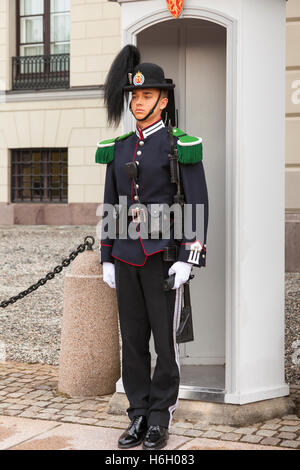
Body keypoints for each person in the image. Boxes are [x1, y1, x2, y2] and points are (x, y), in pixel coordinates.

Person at [95, 45, 209, 450]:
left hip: (163, 258)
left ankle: (160, 417)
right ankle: (138, 415)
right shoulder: (120, 147)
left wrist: (188, 257)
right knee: (133, 342)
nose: (138, 102)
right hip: (126, 257)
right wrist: (106, 255)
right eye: (134, 96)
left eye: (146, 96)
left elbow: (196, 202)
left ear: (163, 100)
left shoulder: (181, 145)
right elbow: (111, 204)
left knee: (165, 344)